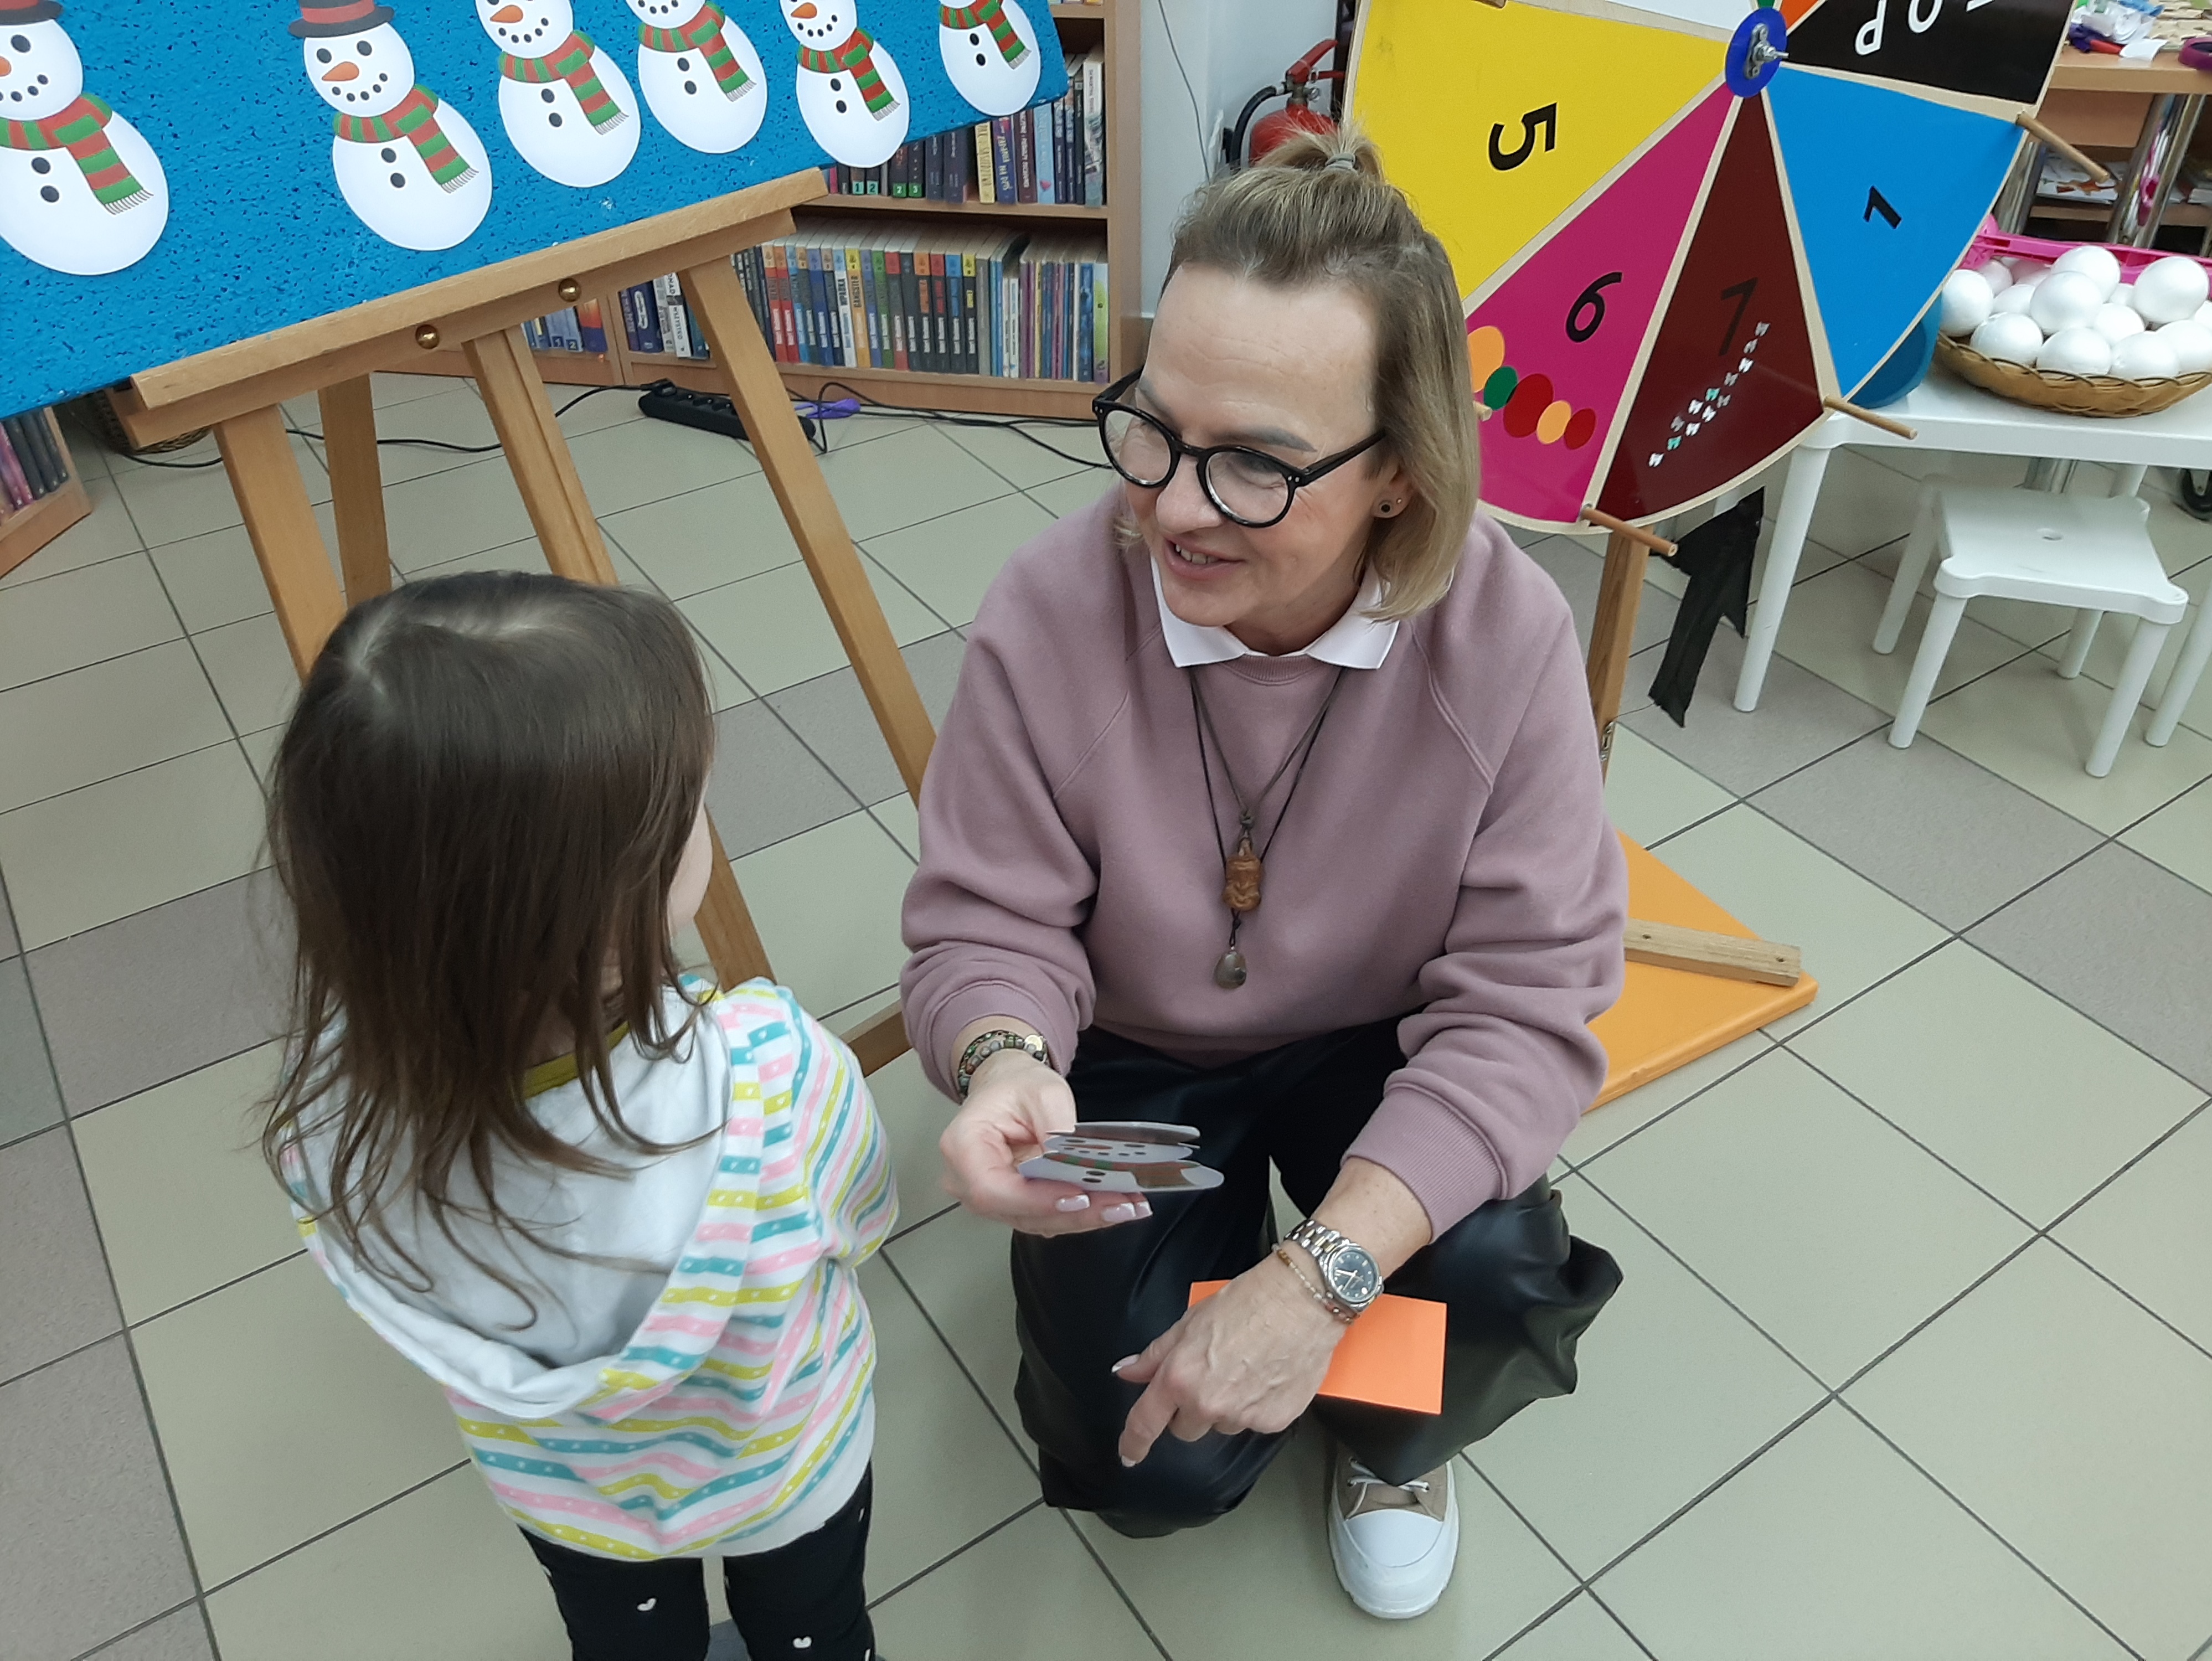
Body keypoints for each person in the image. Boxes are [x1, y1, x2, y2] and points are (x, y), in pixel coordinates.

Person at [901, 127, 1626, 1621]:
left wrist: (1319, 1281)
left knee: (1493, 1277)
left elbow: (1525, 1006)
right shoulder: (1053, 605)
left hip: (1376, 1041)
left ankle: (1387, 1439)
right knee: (1142, 1466)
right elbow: (987, 920)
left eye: (1251, 464)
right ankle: (1218, 1290)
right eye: (1154, 430)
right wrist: (1002, 1059)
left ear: (1400, 476)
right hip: (1128, 1051)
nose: (1172, 507)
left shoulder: (1503, 634)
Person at [261, 572, 893, 1661]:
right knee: (815, 1629)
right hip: (782, 1462)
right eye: (690, 811)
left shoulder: (326, 1108)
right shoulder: (770, 1074)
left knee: (625, 1644)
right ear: (610, 909)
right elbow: (860, 1216)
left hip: (568, 1495)